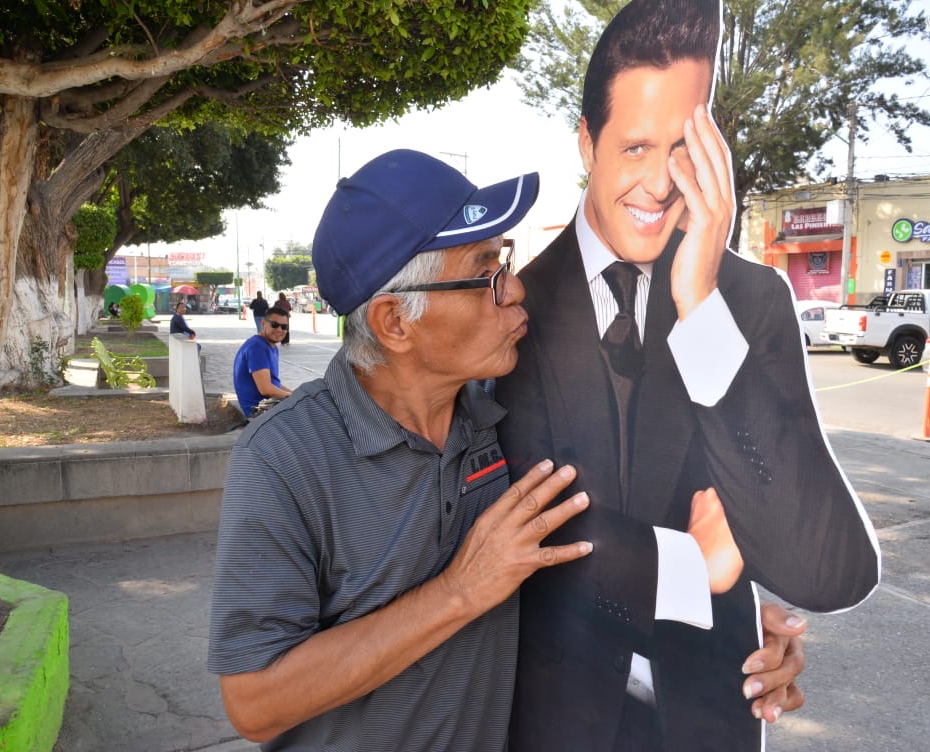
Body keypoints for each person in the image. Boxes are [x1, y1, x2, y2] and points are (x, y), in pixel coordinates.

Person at [209, 150, 805, 751]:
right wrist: (461, 590)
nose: (515, 288)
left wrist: (732, 626)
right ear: (395, 322)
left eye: (506, 260)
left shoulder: (504, 418)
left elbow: (593, 558)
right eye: (486, 271)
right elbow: (255, 703)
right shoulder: (285, 459)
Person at [495, 1, 880, 750]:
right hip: (550, 724)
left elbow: (827, 569)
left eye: (681, 149)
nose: (659, 184)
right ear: (587, 141)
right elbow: (513, 533)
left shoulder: (750, 300)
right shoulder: (511, 311)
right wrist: (694, 570)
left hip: (709, 724)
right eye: (636, 146)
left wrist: (701, 304)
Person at [231, 305, 292, 417]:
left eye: (284, 327)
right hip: (259, 412)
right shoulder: (257, 347)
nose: (279, 330)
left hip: (271, 405)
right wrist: (293, 398)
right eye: (274, 325)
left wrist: (295, 394)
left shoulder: (271, 346)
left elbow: (274, 383)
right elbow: (265, 389)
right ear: (263, 323)